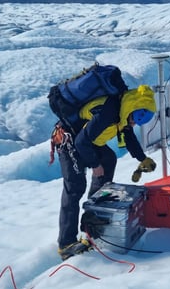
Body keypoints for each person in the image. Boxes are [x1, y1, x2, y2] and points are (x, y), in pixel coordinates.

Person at [54, 84, 157, 260]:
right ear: (133, 108)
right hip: (69, 140)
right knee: (75, 188)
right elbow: (81, 143)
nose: (136, 122)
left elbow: (128, 135)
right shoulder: (108, 113)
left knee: (108, 160)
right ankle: (66, 244)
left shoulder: (123, 111)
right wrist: (94, 165)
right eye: (139, 117)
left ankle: (92, 219)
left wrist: (142, 159)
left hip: (86, 140)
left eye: (142, 119)